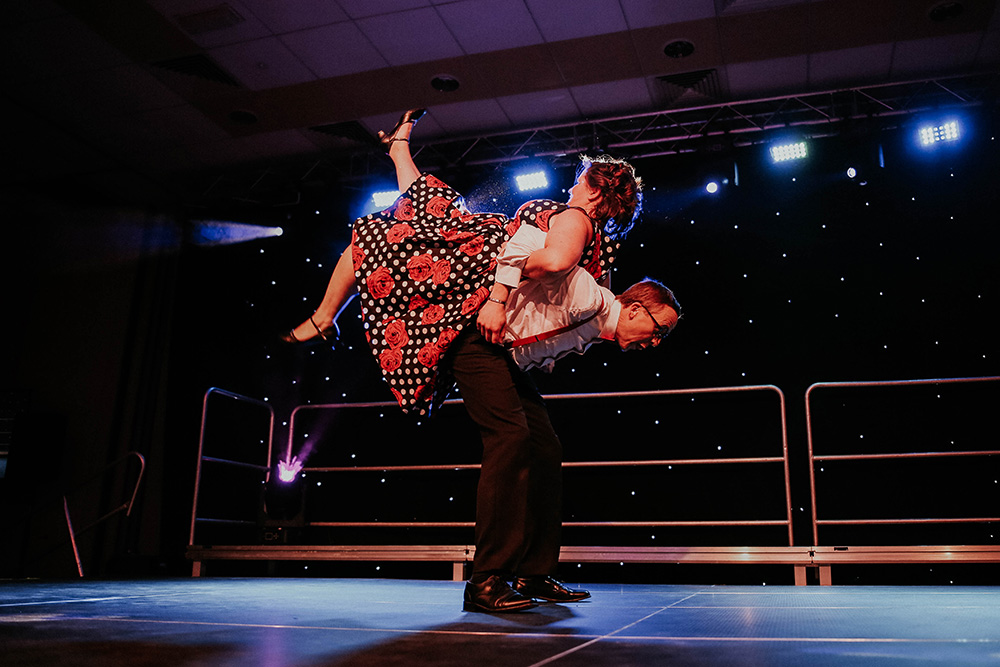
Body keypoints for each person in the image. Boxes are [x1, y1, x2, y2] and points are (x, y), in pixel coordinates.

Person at [281, 109, 680, 612]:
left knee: (544, 447)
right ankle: (489, 578)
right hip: (474, 322)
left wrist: (519, 325)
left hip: (484, 319)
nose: (656, 341)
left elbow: (541, 314)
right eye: (659, 329)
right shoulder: (582, 237)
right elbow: (542, 261)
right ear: (639, 306)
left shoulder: (592, 277)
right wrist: (494, 300)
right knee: (511, 437)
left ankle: (534, 573)